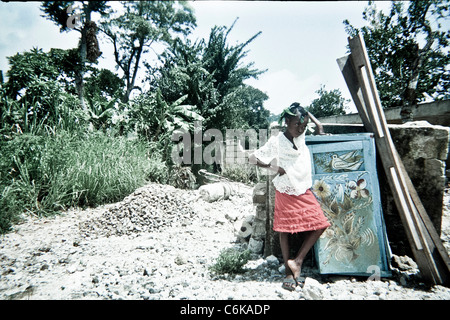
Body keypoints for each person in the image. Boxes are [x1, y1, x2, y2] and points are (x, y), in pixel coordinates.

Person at [248, 102, 330, 291]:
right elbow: (253, 158)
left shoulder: (301, 136)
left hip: (303, 188)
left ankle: (297, 261)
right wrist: (275, 168)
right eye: (296, 125)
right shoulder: (277, 141)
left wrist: (307, 115)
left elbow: (320, 129)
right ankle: (288, 272)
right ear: (286, 122)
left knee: (320, 224)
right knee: (285, 231)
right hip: (285, 188)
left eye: (303, 126)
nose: (300, 129)